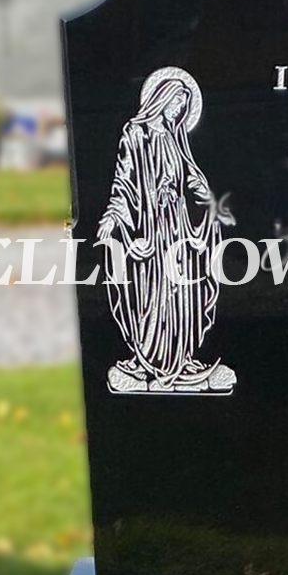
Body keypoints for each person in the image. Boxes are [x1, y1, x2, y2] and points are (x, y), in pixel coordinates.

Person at [96, 66, 236, 395]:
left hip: (177, 224)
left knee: (181, 288)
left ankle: (180, 357)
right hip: (148, 225)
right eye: (176, 104)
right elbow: (123, 180)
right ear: (162, 99)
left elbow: (192, 178)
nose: (178, 112)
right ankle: (150, 360)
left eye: (183, 108)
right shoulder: (135, 133)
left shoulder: (176, 138)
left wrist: (213, 205)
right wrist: (113, 217)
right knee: (154, 291)